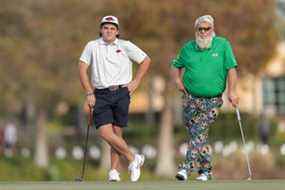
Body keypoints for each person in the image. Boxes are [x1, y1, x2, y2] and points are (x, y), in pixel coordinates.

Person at [78, 15, 151, 182]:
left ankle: (114, 172)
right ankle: (133, 158)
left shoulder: (125, 46)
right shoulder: (92, 46)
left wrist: (136, 82)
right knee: (105, 132)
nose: (108, 31)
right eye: (105, 28)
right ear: (100, 30)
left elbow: (146, 60)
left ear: (117, 31)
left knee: (117, 133)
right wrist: (89, 92)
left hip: (121, 92)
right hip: (100, 94)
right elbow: (82, 69)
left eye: (112, 28)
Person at [171, 15, 239, 181]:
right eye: (200, 29)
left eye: (206, 28)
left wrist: (232, 91)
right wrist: (177, 80)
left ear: (212, 29)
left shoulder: (223, 45)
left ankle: (186, 168)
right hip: (190, 99)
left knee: (199, 131)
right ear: (196, 30)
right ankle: (206, 171)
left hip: (213, 100)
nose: (203, 32)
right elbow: (175, 65)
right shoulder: (188, 48)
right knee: (199, 135)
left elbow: (231, 69)